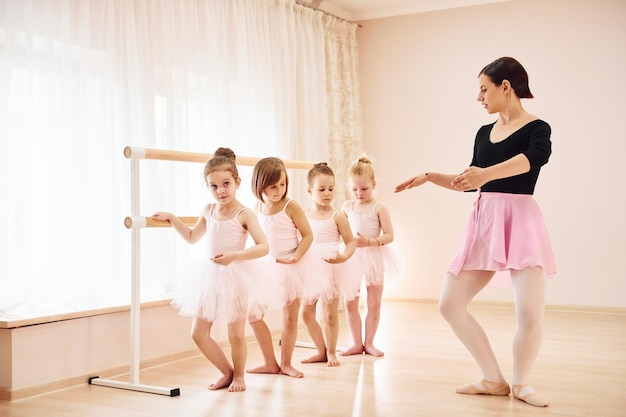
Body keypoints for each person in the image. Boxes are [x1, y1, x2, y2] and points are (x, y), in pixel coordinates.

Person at [394, 57, 555, 407]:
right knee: (450, 303)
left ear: (505, 87)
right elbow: (470, 182)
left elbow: (533, 159)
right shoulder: (484, 133)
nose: (479, 97)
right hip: (484, 223)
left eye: (484, 89)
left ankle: (521, 383)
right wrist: (430, 176)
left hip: (521, 224)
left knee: (529, 312)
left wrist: (485, 174)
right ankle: (493, 379)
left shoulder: (537, 128)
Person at [152, 147, 270, 393]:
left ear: (237, 182)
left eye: (226, 184)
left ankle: (239, 376)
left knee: (235, 333)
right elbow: (193, 237)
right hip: (209, 276)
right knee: (198, 333)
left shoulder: (244, 213)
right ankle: (226, 371)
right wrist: (173, 218)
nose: (220, 191)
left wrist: (235, 256)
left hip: (236, 276)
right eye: (214, 186)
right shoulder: (208, 209)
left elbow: (263, 247)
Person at [246, 157, 326, 378]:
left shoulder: (290, 206)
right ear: (260, 185)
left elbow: (308, 235)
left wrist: (296, 257)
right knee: (253, 315)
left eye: (282, 184)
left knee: (289, 318)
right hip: (267, 265)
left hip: (293, 264)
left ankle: (286, 363)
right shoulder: (257, 207)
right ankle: (269, 362)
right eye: (273, 186)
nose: (279, 190)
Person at [340, 157, 404, 357]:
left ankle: (370, 343)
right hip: (352, 256)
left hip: (374, 255)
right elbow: (339, 230)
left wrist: (370, 242)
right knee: (350, 301)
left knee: (374, 302)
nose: (359, 193)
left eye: (364, 189)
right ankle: (356, 343)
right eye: (355, 189)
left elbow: (389, 235)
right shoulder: (347, 207)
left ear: (374, 185)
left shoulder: (379, 208)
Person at [301, 162, 356, 367]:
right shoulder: (304, 214)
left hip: (332, 266)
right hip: (310, 268)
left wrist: (343, 257)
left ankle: (331, 352)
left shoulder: (338, 215)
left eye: (331, 189)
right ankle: (320, 350)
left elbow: (350, 242)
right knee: (306, 313)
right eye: (321, 189)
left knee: (330, 314)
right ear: (309, 190)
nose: (327, 194)